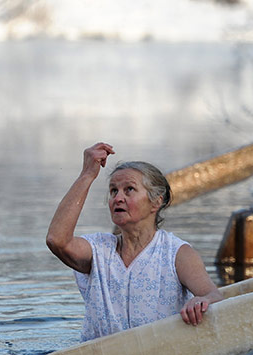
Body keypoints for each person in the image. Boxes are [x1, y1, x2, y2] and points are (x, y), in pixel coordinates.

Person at [46, 142, 223, 341]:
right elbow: (57, 240)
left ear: (156, 202)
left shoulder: (176, 253)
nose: (118, 198)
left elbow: (215, 297)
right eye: (113, 191)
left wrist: (201, 301)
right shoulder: (98, 249)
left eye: (129, 189)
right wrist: (87, 174)